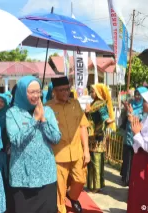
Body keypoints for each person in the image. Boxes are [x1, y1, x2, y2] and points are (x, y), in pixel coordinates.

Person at [6, 76, 61, 213]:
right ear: (22, 92)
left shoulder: (47, 111)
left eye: (38, 91)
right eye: (31, 92)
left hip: (46, 175)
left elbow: (56, 138)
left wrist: (43, 120)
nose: (36, 95)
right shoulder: (12, 113)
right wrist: (34, 119)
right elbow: (16, 140)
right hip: (22, 177)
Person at [46, 77, 90, 213]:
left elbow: (83, 127)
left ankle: (72, 197)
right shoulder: (47, 107)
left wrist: (86, 150)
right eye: (61, 90)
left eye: (67, 89)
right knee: (60, 187)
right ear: (54, 91)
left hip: (77, 151)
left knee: (80, 180)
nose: (65, 92)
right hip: (58, 154)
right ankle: (61, 209)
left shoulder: (75, 104)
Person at [86, 84, 115, 193]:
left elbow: (104, 117)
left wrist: (109, 120)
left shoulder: (101, 104)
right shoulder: (93, 103)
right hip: (92, 137)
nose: (91, 93)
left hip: (97, 138)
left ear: (98, 93)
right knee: (93, 161)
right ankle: (93, 185)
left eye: (93, 91)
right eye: (91, 91)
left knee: (96, 161)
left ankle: (96, 186)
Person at [120, 87, 148, 186]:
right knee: (127, 158)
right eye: (136, 94)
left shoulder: (144, 108)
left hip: (137, 139)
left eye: (139, 95)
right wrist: (127, 110)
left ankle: (130, 180)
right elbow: (127, 119)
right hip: (128, 136)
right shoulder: (131, 105)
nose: (137, 97)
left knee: (133, 160)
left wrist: (131, 113)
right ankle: (125, 178)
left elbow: (141, 120)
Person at [0, 94, 14, 212]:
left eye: (2, 101)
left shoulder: (8, 116)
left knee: (5, 179)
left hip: (5, 154)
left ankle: (6, 205)